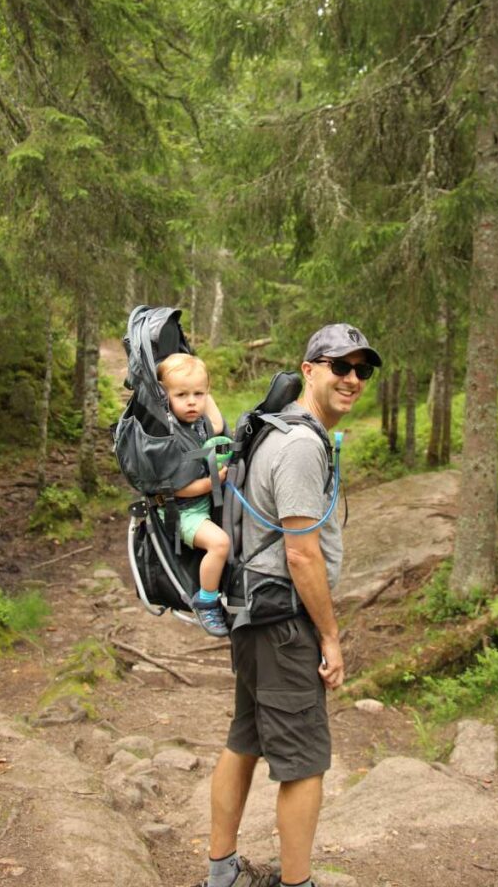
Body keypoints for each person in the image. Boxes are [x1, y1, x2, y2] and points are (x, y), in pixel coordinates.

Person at [191, 324, 381, 887]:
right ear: (309, 369)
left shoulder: (277, 431)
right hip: (284, 625)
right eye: (339, 366)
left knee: (244, 738)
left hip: (253, 618)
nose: (351, 379)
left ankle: (221, 872)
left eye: (361, 370)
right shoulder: (300, 444)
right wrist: (329, 636)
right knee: (304, 762)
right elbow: (302, 556)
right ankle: (297, 882)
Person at [157, 353, 231, 638]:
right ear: (165, 397)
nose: (192, 402)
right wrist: (214, 480)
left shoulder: (198, 424)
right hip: (181, 511)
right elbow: (175, 488)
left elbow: (217, 423)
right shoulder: (169, 435)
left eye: (198, 394)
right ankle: (207, 600)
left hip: (201, 505)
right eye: (182, 395)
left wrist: (203, 386)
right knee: (220, 544)